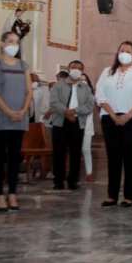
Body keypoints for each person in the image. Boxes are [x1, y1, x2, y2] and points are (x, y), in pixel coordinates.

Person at [96, 41, 132, 208]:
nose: (124, 53)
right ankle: (111, 195)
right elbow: (99, 94)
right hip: (109, 118)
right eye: (121, 50)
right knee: (113, 157)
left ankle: (128, 196)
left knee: (130, 157)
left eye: (128, 51)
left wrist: (128, 115)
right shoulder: (107, 72)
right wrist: (113, 114)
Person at [0, 31, 33, 212]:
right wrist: (7, 111)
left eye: (17, 42)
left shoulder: (23, 65)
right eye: (11, 41)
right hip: (0, 116)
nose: (14, 45)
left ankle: (12, 193)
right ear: (2, 43)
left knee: (15, 156)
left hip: (19, 117)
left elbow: (29, 91)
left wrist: (22, 110)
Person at [49, 60, 95, 190]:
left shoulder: (85, 88)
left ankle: (73, 180)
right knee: (59, 152)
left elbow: (89, 106)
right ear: (69, 69)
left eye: (79, 68)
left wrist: (75, 111)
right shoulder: (58, 85)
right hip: (60, 122)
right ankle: (58, 181)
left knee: (75, 152)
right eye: (73, 67)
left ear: (82, 71)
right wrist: (66, 112)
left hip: (77, 122)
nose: (76, 69)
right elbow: (53, 102)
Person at [81, 72, 96, 182]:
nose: (83, 82)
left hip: (87, 126)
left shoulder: (91, 95)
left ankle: (89, 172)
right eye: (80, 80)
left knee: (86, 149)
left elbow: (88, 109)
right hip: (74, 125)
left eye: (85, 80)